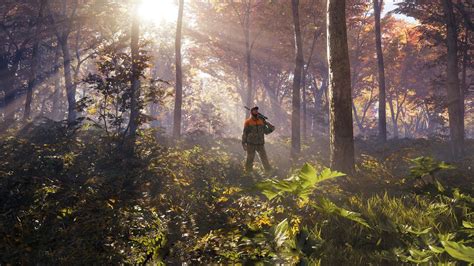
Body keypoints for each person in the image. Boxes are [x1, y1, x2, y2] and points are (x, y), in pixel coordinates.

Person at [242, 106, 275, 173]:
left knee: (264, 159)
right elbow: (245, 133)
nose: (256, 111)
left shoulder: (261, 121)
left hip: (260, 144)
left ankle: (268, 173)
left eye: (257, 110)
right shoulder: (248, 122)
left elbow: (267, 131)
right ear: (251, 112)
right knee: (249, 159)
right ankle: (248, 173)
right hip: (250, 144)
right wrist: (243, 143)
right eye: (254, 110)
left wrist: (266, 123)